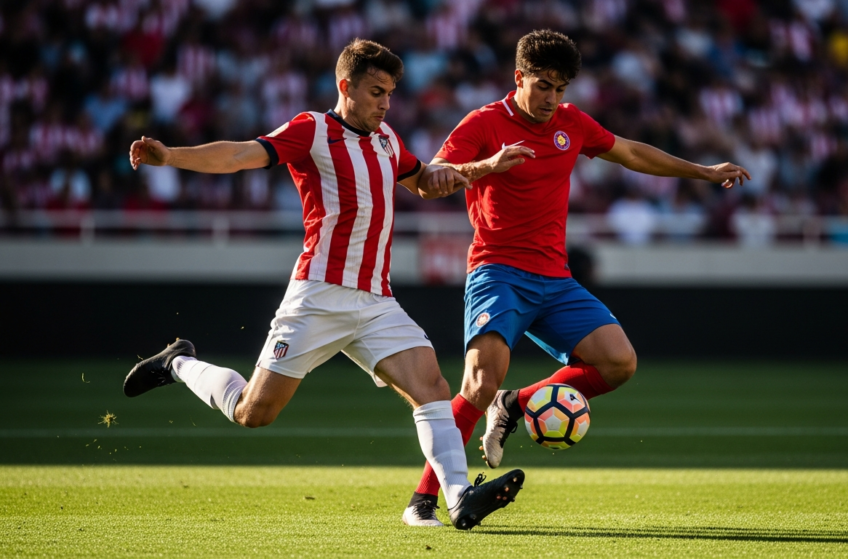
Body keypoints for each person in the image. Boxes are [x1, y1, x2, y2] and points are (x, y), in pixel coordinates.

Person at [122, 39, 523, 531]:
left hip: (376, 299)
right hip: (318, 295)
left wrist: (484, 167)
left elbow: (425, 180)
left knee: (433, 388)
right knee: (254, 412)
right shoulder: (312, 129)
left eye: (391, 93)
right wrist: (170, 157)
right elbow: (240, 155)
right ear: (345, 87)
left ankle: (458, 496)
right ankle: (178, 362)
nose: (385, 103)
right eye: (376, 91)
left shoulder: (387, 140)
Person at [404, 29, 750, 524]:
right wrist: (488, 165)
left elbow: (631, 153)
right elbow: (430, 181)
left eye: (561, 88)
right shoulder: (485, 123)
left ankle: (516, 404)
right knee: (478, 383)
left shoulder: (572, 124)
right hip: (498, 272)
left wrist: (704, 171)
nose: (552, 98)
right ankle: (422, 501)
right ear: (519, 77)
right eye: (543, 85)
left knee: (619, 363)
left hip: (555, 278)